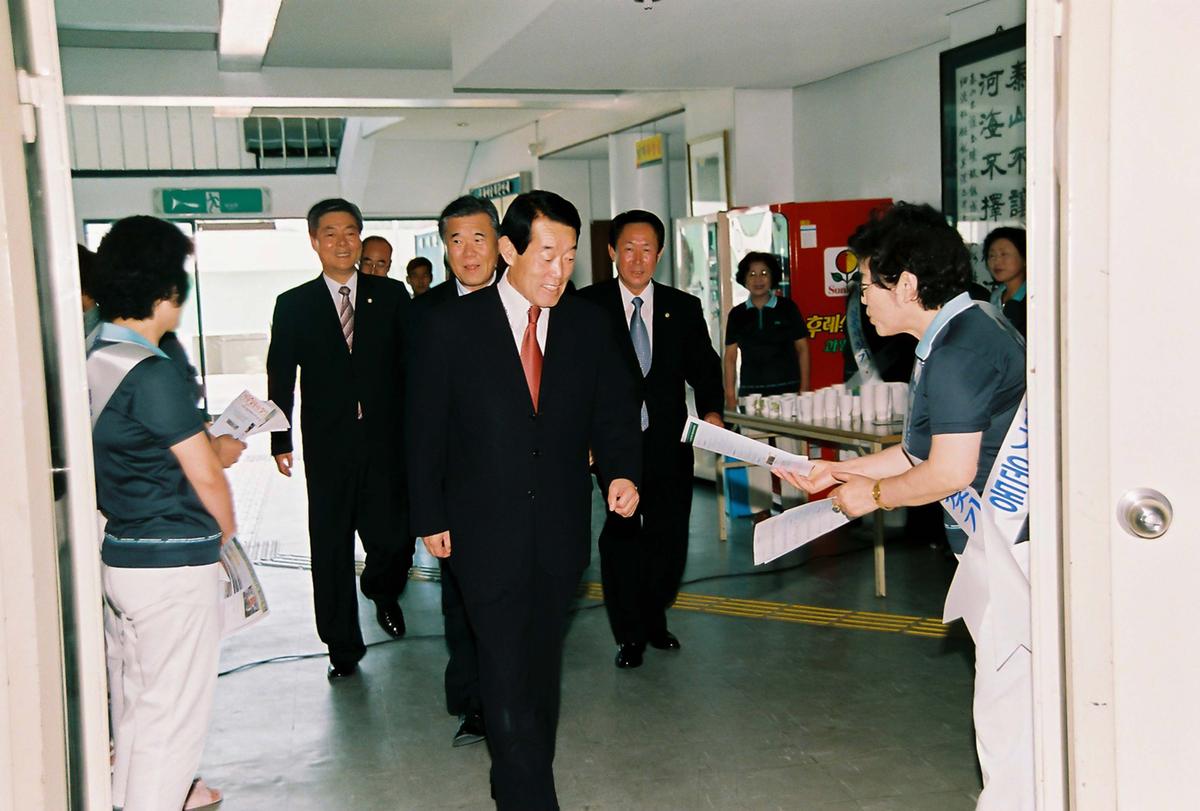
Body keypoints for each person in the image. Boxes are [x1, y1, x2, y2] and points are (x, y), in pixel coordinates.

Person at [778, 202, 1031, 810]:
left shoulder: (958, 351)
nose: (860, 298)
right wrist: (839, 471)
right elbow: (920, 451)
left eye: (866, 284)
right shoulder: (960, 330)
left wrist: (870, 497)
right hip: (1005, 542)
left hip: (1017, 546)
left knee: (1009, 711)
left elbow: (948, 472)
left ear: (908, 285)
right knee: (1012, 701)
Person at [407, 190, 641, 809]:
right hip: (481, 532)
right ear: (509, 249)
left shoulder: (587, 324)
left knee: (539, 672)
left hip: (559, 531)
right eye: (546, 255)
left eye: (568, 257)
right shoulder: (450, 325)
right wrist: (427, 513)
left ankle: (520, 775)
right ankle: (530, 797)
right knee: (506, 670)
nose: (559, 271)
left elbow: (614, 413)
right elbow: (423, 428)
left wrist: (621, 473)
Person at [88, 216, 236, 811]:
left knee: (142, 704)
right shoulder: (152, 372)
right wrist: (225, 534)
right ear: (167, 290)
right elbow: (205, 475)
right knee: (173, 719)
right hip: (173, 565)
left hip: (124, 554)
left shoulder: (97, 352)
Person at [266, 198, 413, 680]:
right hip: (328, 447)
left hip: (387, 442)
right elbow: (280, 374)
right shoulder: (294, 305)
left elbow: (412, 369)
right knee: (329, 547)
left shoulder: (391, 297)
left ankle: (380, 586)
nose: (342, 242)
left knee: (393, 538)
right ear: (314, 241)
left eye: (350, 232)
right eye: (330, 234)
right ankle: (341, 646)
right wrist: (279, 438)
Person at [578, 209, 724, 669]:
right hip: (613, 443)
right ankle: (629, 634)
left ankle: (655, 613)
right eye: (628, 248)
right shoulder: (587, 307)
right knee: (621, 533)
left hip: (668, 439)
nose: (637, 259)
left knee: (669, 534)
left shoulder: (682, 307)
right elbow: (573, 380)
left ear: (659, 254)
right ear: (610, 252)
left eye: (647, 249)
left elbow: (705, 366)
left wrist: (713, 412)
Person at [409, 194, 505, 749]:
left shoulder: (530, 302)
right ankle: (473, 704)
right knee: (463, 601)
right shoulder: (425, 313)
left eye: (478, 238)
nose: (468, 252)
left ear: (500, 243)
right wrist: (428, 508)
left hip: (525, 486)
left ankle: (513, 699)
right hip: (459, 490)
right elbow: (419, 423)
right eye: (455, 241)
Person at [723, 251, 810, 410]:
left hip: (788, 393)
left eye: (764, 273)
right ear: (744, 279)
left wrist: (804, 389)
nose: (758, 279)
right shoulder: (737, 314)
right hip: (751, 395)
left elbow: (802, 349)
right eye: (752, 274)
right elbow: (730, 357)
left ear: (773, 277)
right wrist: (730, 396)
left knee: (788, 436)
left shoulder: (788, 308)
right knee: (752, 435)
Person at [983, 226, 1027, 337]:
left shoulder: (1033, 298)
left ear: (1025, 258)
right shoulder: (995, 296)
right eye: (991, 255)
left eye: (1004, 254)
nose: (997, 261)